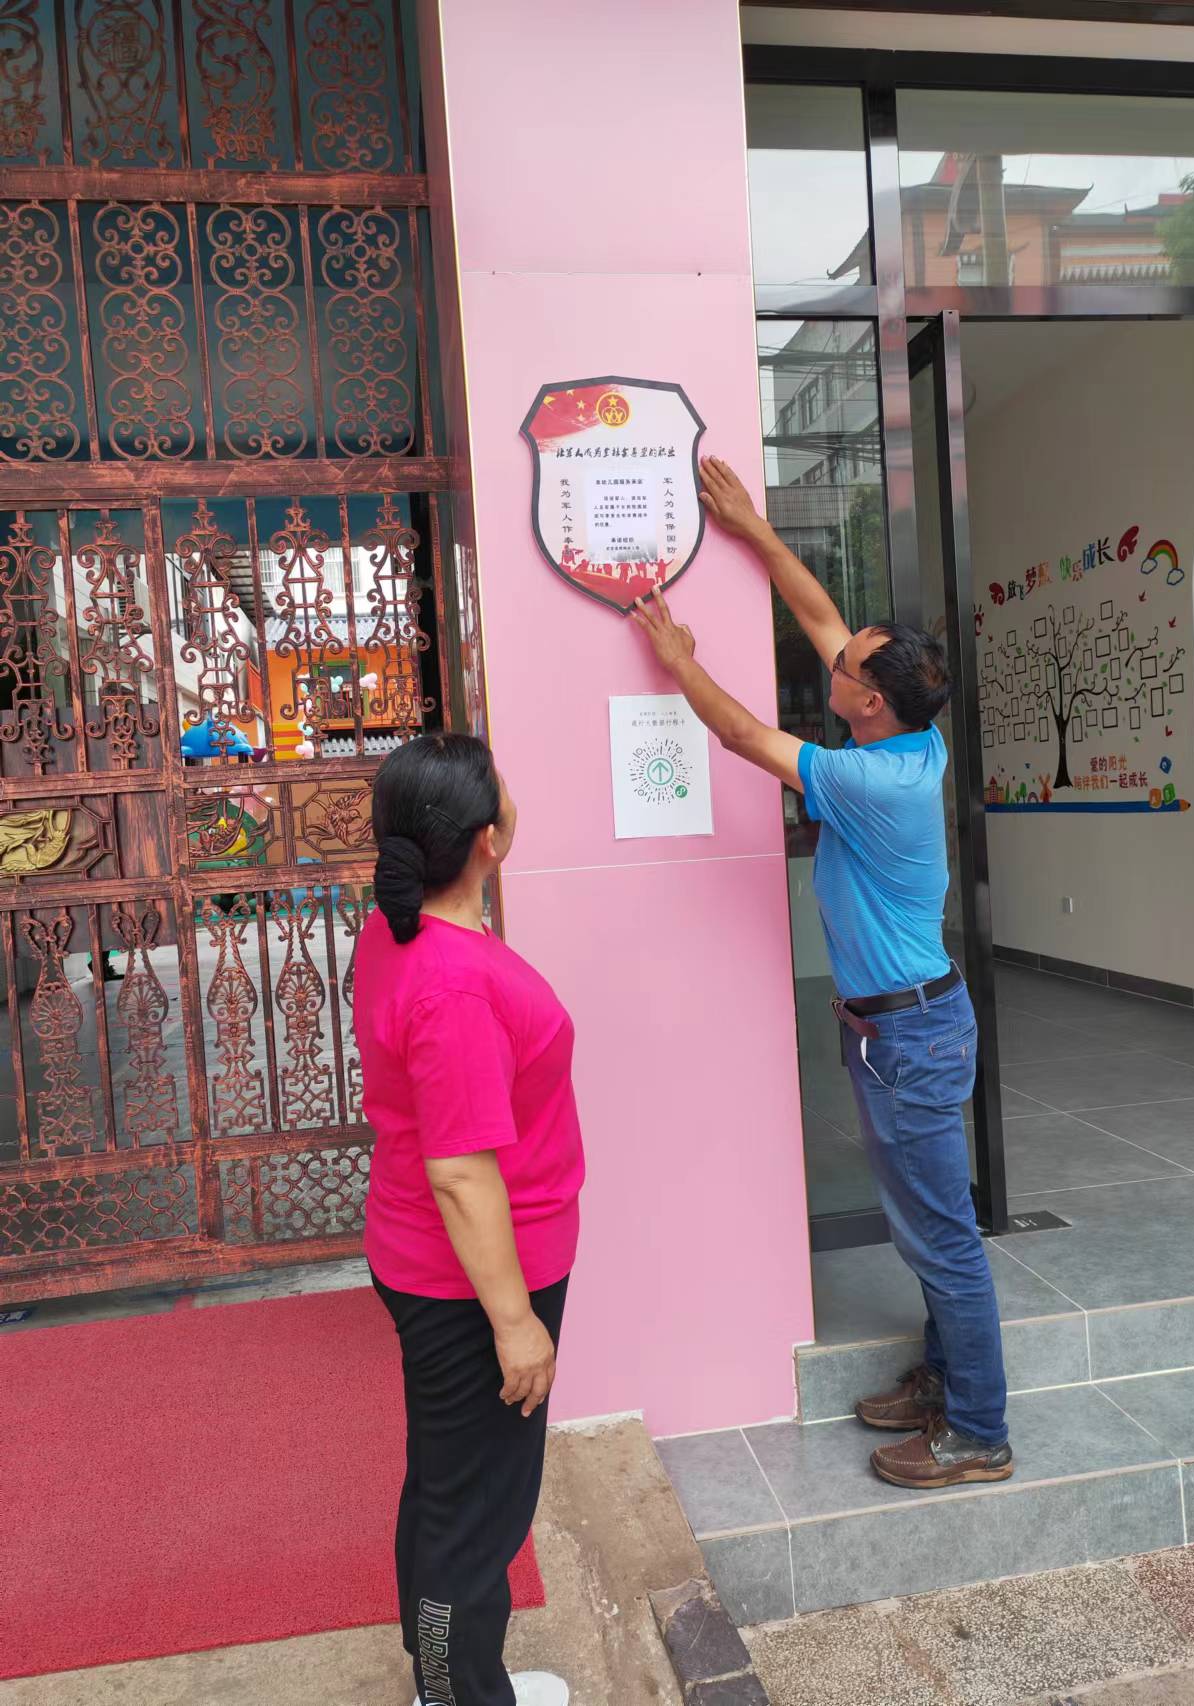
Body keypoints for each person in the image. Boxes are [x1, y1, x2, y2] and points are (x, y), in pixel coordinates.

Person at [632, 456, 1011, 1492]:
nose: (831, 661)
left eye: (846, 667)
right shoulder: (909, 739)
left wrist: (678, 658)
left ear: (870, 703)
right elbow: (818, 613)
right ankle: (945, 1381)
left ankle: (977, 1429)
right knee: (929, 1228)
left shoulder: (866, 779)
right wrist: (751, 529)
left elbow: (738, 732)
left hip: (909, 1036)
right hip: (902, 1026)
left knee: (941, 1237)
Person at [354, 732, 584, 1706]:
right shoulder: (450, 981)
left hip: (440, 1259)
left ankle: (449, 1682)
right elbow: (458, 1170)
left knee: (450, 1486)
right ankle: (457, 1694)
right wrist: (513, 1321)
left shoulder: (400, 927)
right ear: (488, 838)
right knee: (474, 1513)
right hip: (472, 1279)